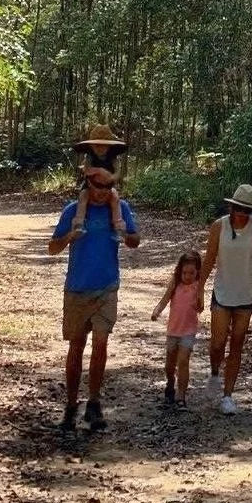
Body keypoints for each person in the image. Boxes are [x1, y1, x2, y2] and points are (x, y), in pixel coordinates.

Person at [47, 124, 140, 434]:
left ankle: (95, 403)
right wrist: (70, 236)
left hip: (107, 286)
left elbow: (134, 238)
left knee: (100, 344)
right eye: (95, 187)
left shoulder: (120, 206)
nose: (100, 192)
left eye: (106, 188)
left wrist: (128, 237)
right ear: (87, 183)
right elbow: (52, 248)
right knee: (76, 346)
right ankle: (71, 405)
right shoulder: (75, 209)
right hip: (77, 288)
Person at [200, 182, 252, 415]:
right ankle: (213, 373)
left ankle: (228, 395)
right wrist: (199, 289)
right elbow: (209, 258)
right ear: (231, 208)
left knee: (237, 345)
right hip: (222, 292)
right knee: (218, 343)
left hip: (245, 293)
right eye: (239, 209)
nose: (243, 214)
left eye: (247, 211)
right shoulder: (218, 227)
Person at [151, 250, 204, 409]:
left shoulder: (198, 286)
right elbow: (165, 299)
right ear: (179, 271)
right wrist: (157, 311)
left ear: (197, 272)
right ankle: (170, 382)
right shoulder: (175, 284)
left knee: (183, 362)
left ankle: (181, 395)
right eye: (185, 272)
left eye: (191, 273)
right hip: (173, 331)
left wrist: (198, 304)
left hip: (188, 331)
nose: (188, 276)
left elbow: (201, 306)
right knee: (170, 364)